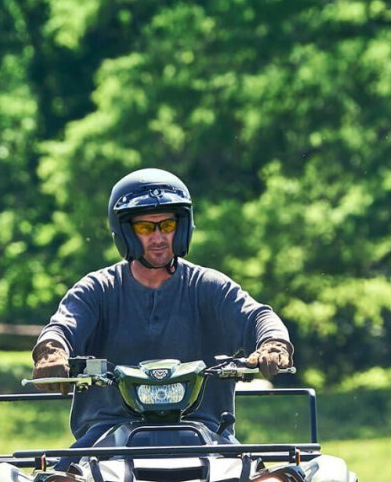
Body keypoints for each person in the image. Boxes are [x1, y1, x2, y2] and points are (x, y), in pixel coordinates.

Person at [31, 167, 293, 445]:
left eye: (167, 226)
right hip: (104, 438)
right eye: (145, 227)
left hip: (208, 434)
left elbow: (258, 316)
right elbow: (61, 327)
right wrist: (51, 353)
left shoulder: (209, 286)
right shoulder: (97, 289)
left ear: (182, 228)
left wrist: (273, 344)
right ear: (124, 232)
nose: (158, 238)